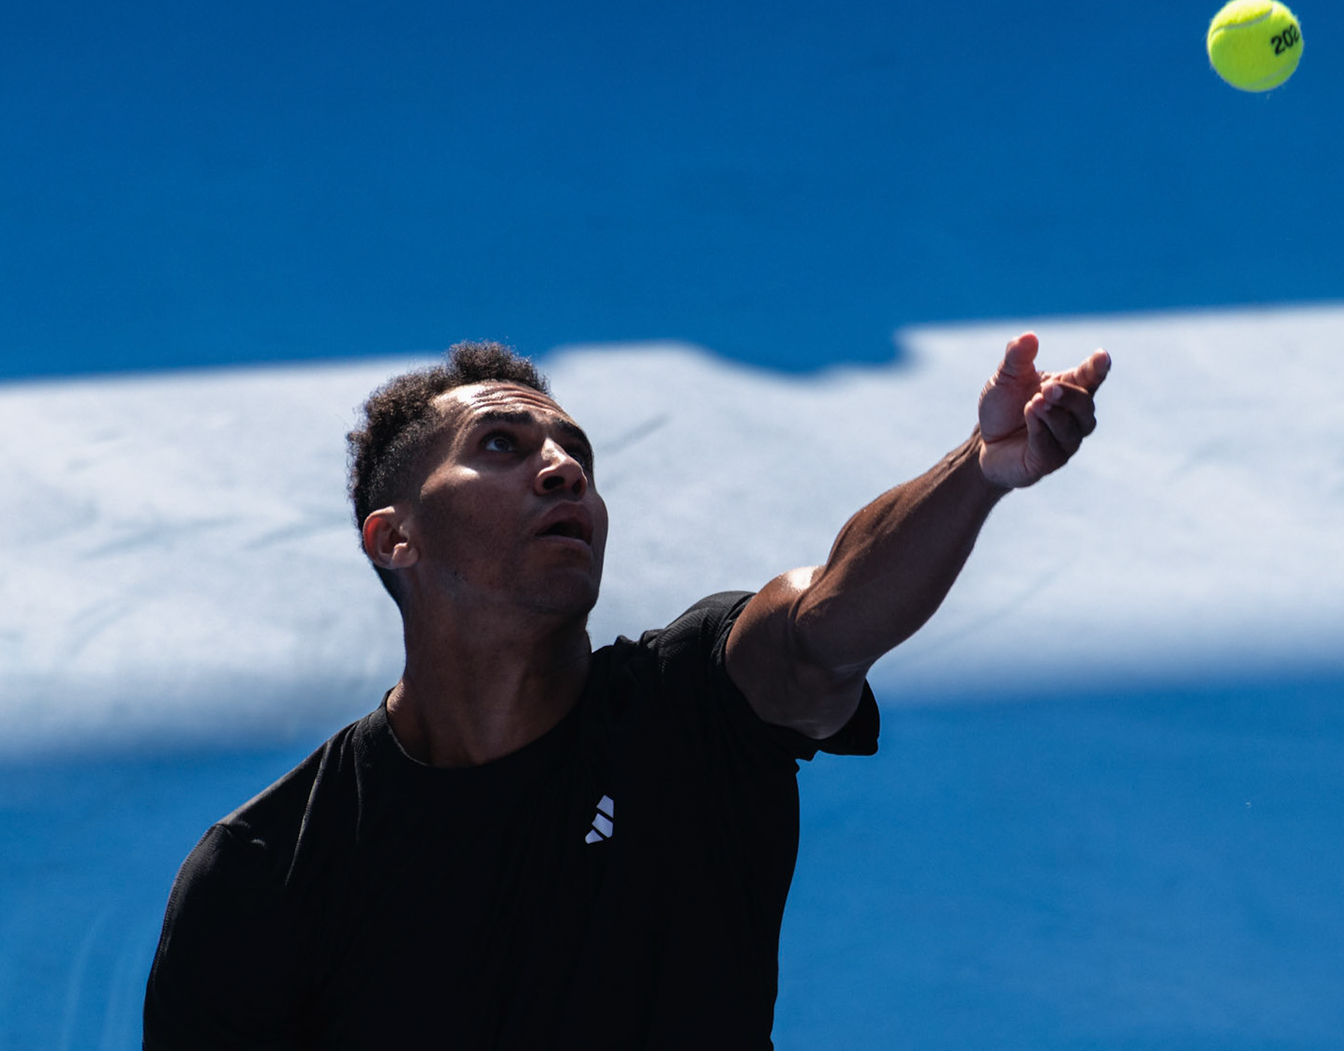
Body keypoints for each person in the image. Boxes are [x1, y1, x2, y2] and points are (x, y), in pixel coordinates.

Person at [143, 331, 1109, 1049]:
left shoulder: (696, 707)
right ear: (395, 538)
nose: (562, 467)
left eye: (575, 455)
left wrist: (982, 471)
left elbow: (826, 622)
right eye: (501, 447)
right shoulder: (263, 873)